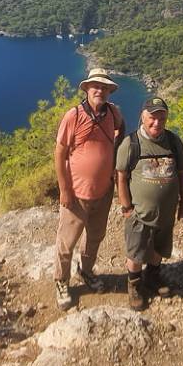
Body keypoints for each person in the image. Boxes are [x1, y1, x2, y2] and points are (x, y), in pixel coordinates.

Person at [53, 68, 125, 311]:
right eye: (96, 86)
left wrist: (114, 161)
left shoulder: (113, 113)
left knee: (95, 236)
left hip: (103, 191)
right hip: (77, 193)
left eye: (104, 87)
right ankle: (61, 281)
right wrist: (64, 189)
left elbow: (122, 131)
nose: (100, 90)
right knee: (67, 241)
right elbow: (60, 153)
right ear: (86, 88)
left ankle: (85, 271)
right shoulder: (73, 116)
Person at [115, 96, 183, 310]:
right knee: (136, 251)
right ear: (142, 116)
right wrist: (126, 208)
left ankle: (153, 277)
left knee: (160, 247)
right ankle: (135, 285)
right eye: (152, 117)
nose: (157, 123)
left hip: (166, 213)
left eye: (162, 118)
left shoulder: (173, 142)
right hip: (139, 214)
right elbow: (120, 177)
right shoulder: (131, 143)